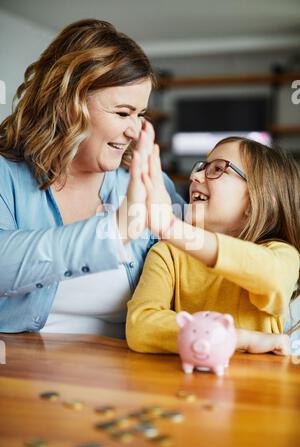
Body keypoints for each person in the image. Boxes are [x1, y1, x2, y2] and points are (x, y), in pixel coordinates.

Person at [0, 19, 184, 337]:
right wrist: (116, 230)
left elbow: (207, 264)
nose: (135, 130)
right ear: (68, 105)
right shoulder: (7, 175)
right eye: (123, 113)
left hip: (131, 379)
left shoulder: (145, 181)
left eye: (141, 114)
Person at [126, 137, 300, 355]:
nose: (194, 176)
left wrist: (171, 227)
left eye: (218, 169)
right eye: (201, 168)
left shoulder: (282, 254)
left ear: (260, 198)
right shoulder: (169, 252)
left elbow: (271, 275)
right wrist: (235, 338)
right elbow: (140, 325)